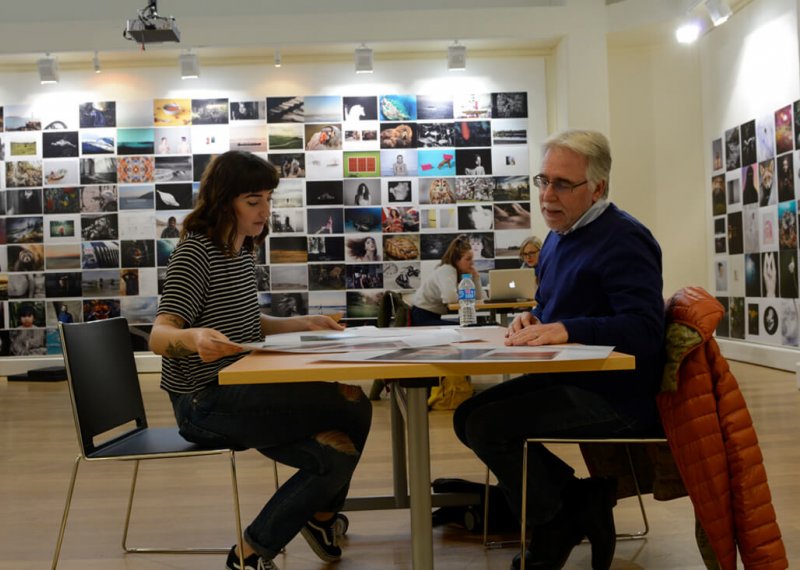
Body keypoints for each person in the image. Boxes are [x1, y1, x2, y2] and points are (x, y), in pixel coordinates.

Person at [149, 150, 372, 570]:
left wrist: (304, 322)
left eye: (269, 199)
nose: (265, 211)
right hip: (202, 402)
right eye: (254, 201)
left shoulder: (241, 249)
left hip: (239, 388)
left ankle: (281, 539)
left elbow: (248, 322)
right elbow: (160, 335)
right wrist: (193, 337)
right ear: (223, 201)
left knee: (336, 454)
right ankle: (304, 527)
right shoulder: (196, 252)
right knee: (351, 405)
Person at [453, 130, 664, 570]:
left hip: (617, 394)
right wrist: (533, 317)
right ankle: (579, 501)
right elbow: (553, 306)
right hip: (572, 377)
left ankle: (554, 521)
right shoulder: (559, 236)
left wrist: (567, 329)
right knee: (466, 417)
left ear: (598, 188)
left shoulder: (624, 239)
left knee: (488, 426)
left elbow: (645, 330)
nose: (547, 195)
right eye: (542, 181)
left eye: (562, 184)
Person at [409, 234, 483, 326]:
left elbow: (479, 298)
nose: (472, 263)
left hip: (429, 315)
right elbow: (451, 299)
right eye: (468, 259)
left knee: (466, 325)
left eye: (472, 259)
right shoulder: (447, 270)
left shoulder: (458, 272)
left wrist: (476, 277)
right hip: (422, 316)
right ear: (456, 260)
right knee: (464, 327)